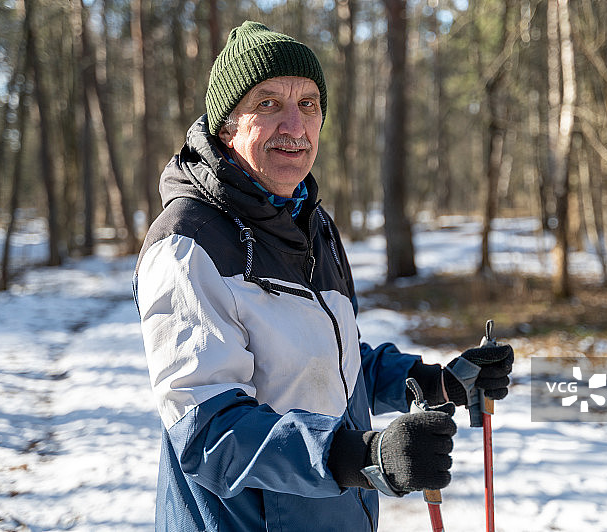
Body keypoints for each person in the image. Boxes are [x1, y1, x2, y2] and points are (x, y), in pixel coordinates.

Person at [133, 21, 514, 532]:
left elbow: (334, 363)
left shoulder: (311, 224)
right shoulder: (189, 242)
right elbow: (208, 433)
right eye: (268, 103)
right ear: (227, 126)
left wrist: (438, 381)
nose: (294, 125)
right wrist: (363, 456)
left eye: (308, 104)